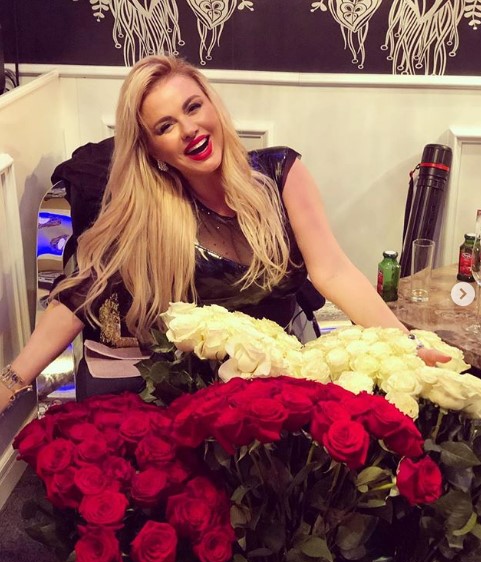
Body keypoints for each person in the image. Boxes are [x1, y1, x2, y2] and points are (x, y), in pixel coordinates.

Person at [0, 55, 450, 413]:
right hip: (209, 394)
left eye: (193, 107)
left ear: (212, 106)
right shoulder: (153, 214)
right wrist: (11, 382)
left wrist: (405, 344)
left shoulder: (281, 173)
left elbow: (333, 271)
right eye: (165, 126)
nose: (189, 130)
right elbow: (81, 293)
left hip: (289, 372)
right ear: (153, 151)